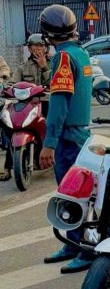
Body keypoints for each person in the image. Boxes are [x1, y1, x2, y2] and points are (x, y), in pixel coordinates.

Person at [37, 5, 94, 273]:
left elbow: (59, 104)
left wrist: (49, 143)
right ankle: (72, 244)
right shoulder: (82, 53)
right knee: (73, 193)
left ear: (46, 32)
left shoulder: (61, 58)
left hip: (68, 139)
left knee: (72, 196)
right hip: (81, 134)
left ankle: (83, 247)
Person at [0, 35, 52, 182]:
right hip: (26, 105)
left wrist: (44, 67)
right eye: (34, 46)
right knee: (9, 127)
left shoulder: (53, 63)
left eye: (41, 46)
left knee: (54, 126)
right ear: (29, 48)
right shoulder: (22, 67)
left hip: (46, 103)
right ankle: (8, 168)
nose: (38, 48)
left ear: (46, 47)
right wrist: (4, 89)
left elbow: (55, 83)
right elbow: (11, 84)